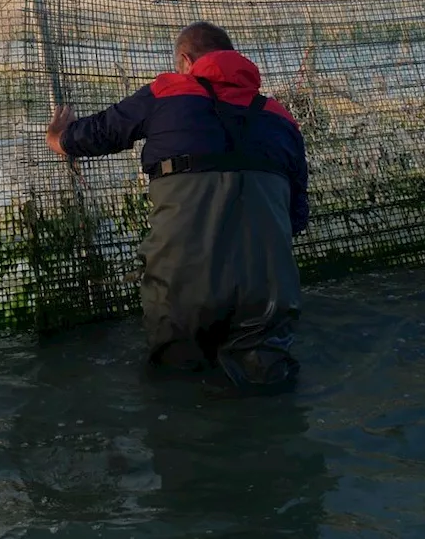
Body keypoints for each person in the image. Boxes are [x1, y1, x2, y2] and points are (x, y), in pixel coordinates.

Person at [45, 21, 309, 389]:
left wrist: (61, 138)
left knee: (178, 389)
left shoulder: (167, 90)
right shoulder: (280, 117)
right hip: (267, 288)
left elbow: (102, 132)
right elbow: (297, 217)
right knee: (270, 389)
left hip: (185, 283)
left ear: (185, 60)